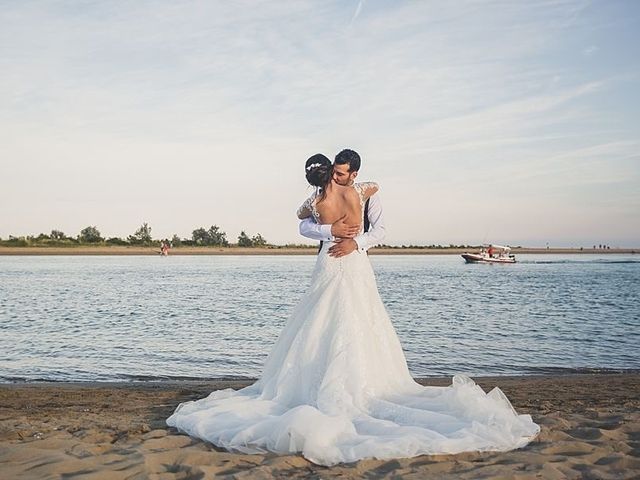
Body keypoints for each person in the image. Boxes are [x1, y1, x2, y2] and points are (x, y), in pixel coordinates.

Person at [166, 155, 540, 466]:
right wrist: (332, 232)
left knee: (358, 318)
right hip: (337, 258)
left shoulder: (326, 199)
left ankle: (356, 383)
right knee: (326, 320)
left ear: (350, 172)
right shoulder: (359, 190)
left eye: (343, 171)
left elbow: (362, 226)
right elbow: (316, 218)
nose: (339, 176)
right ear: (335, 173)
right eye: (335, 171)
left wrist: (352, 241)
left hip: (349, 259)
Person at [299, 149, 385, 257]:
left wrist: (355, 243)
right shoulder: (318, 197)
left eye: (340, 174)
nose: (334, 177)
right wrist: (329, 230)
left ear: (353, 175)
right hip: (328, 257)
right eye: (333, 171)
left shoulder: (369, 196)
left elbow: (380, 231)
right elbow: (303, 227)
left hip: (356, 258)